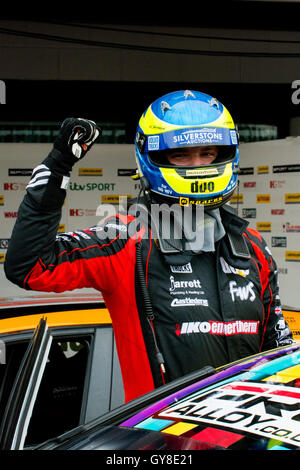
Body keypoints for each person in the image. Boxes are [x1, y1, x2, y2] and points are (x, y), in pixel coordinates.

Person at [4, 90, 293, 403]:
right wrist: (57, 167)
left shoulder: (252, 246)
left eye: (207, 153)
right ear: (153, 157)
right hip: (160, 443)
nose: (196, 164)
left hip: (245, 434)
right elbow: (30, 266)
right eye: (180, 154)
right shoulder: (127, 240)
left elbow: (279, 354)